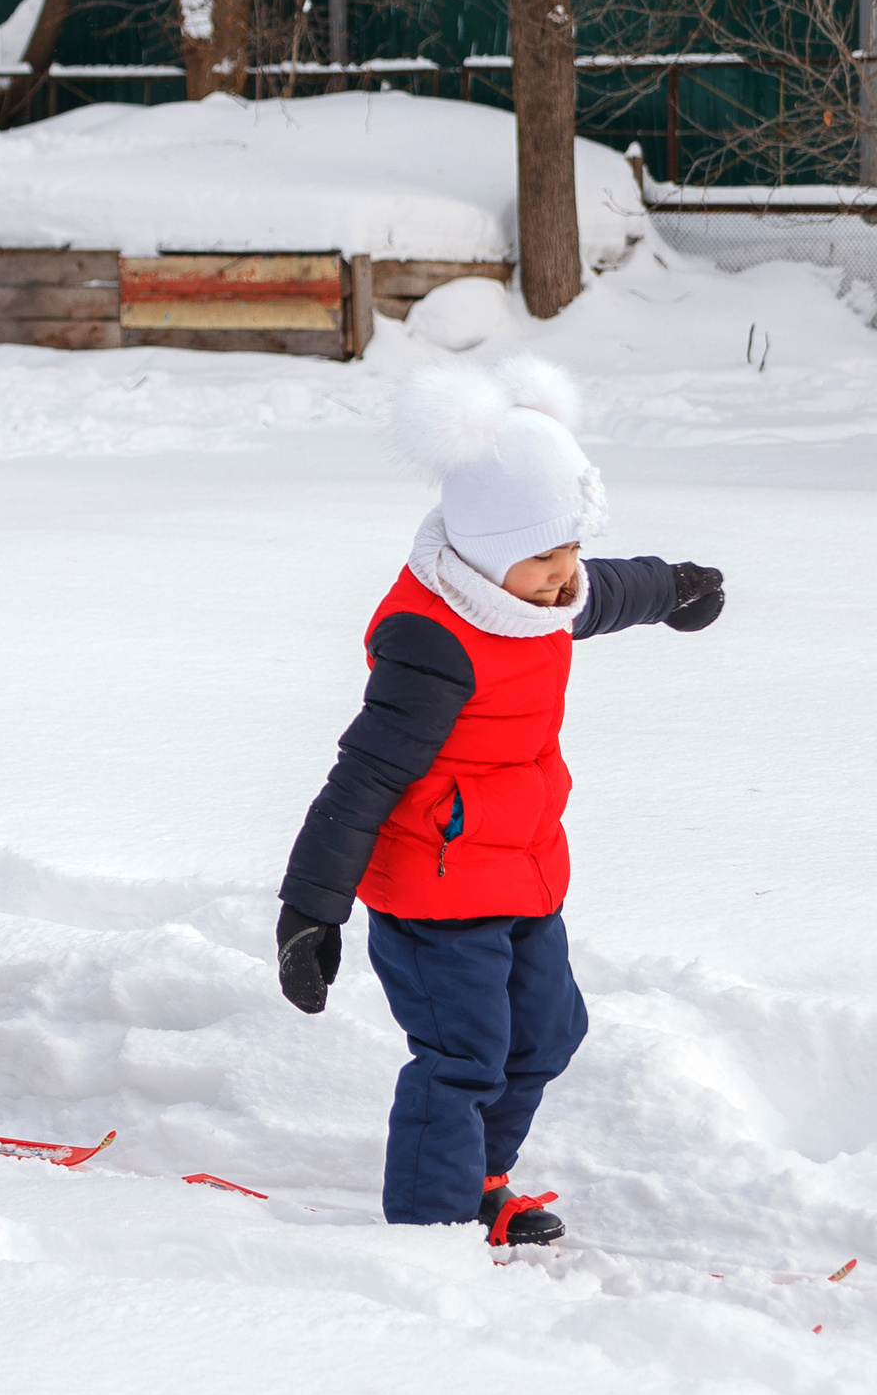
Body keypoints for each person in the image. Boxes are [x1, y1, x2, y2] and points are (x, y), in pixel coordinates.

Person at [276, 356, 725, 1245]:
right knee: (463, 1056)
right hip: (434, 891)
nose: (566, 574)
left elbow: (603, 592)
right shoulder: (432, 639)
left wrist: (673, 586)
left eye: (571, 548)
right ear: (486, 547)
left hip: (520, 871)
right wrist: (310, 911)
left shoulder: (532, 596)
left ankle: (479, 1181)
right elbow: (364, 774)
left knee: (548, 1032)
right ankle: (431, 1232)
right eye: (545, 555)